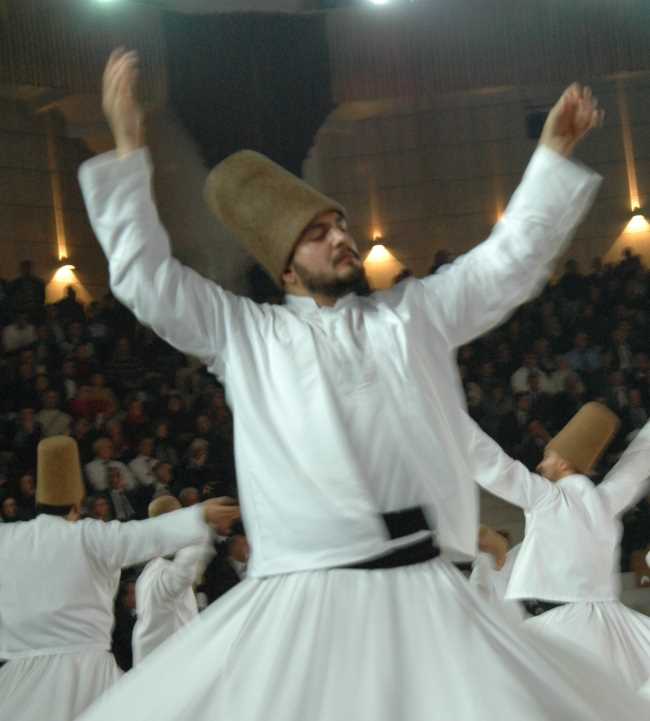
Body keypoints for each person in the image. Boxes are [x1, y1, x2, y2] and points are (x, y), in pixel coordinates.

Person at [75, 48, 649, 721]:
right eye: (317, 234)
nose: (340, 237)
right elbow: (146, 279)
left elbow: (508, 262)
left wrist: (551, 154)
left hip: (423, 589)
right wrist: (127, 146)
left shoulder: (413, 314)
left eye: (339, 224)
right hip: (303, 598)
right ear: (286, 268)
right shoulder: (247, 335)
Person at [0, 436, 240, 721]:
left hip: (19, 681)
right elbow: (146, 535)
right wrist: (201, 516)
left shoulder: (7, 540)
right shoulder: (89, 536)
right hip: (89, 677)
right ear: (77, 503)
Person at [468, 402, 650, 691]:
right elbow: (638, 460)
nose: (541, 465)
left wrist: (444, 412)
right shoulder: (606, 501)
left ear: (564, 463)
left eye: (548, 457)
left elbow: (493, 464)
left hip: (561, 626)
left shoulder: (548, 498)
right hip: (609, 625)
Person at [132, 495, 213, 665]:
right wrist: (203, 522)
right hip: (170, 667)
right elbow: (184, 571)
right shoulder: (162, 576)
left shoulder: (148, 573)